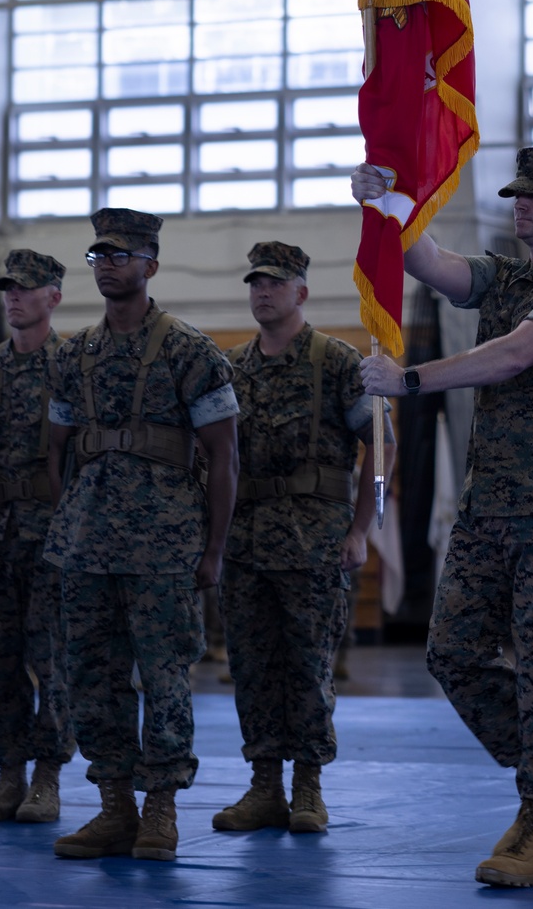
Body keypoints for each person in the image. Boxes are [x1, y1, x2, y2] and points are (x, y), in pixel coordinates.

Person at [354, 147, 533, 890]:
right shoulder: (508, 276)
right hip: (491, 502)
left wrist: (409, 379)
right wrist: (384, 205)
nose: (522, 205)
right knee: (451, 651)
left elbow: (513, 355)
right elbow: (432, 262)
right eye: (516, 194)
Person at [45, 208, 238, 862]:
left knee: (164, 677)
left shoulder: (189, 350)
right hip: (87, 543)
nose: (108, 264)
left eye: (122, 255)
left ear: (151, 265)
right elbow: (58, 450)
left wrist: (212, 547)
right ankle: (115, 807)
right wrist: (67, 523)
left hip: (163, 545)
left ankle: (160, 808)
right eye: (99, 254)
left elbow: (224, 455)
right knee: (90, 677)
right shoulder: (73, 355)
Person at [212, 242, 395, 836]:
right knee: (252, 666)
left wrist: (362, 528)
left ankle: (308, 787)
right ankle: (264, 785)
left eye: (274, 283)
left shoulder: (335, 362)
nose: (262, 292)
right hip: (245, 539)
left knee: (309, 666)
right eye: (255, 283)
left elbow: (382, 444)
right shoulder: (231, 367)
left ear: (301, 292)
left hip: (314, 541)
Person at [0, 248, 75, 824]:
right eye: (8, 289)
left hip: (52, 533)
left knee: (50, 658)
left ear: (54, 295)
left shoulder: (75, 363)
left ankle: (47, 776)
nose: (14, 298)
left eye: (26, 289)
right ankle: (8, 775)